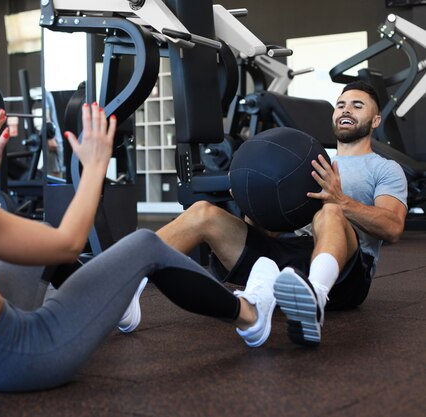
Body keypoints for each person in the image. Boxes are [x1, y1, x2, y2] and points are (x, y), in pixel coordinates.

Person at [0, 55, 282, 393]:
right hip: (21, 358)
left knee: (23, 252)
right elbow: (67, 243)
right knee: (144, 244)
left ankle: (116, 306)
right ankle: (251, 316)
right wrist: (95, 165)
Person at [156, 80, 407, 347]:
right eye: (341, 105)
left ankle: (316, 299)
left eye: (357, 106)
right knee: (202, 212)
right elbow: (271, 229)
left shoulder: (385, 168)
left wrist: (341, 200)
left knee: (330, 210)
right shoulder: (308, 157)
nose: (346, 111)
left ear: (376, 120)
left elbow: (392, 227)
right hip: (285, 262)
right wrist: (251, 198)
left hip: (346, 278)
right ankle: (131, 277)